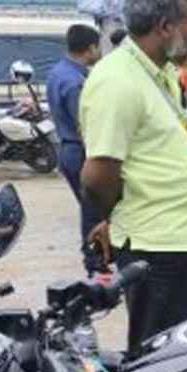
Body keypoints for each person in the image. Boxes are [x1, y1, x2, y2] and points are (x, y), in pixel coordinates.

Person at [80, 0, 187, 353]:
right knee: (159, 357)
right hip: (158, 247)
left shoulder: (162, 74)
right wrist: (118, 215)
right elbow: (98, 174)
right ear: (164, 26)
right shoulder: (117, 80)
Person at [46, 23, 106, 277]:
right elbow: (86, 127)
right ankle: (94, 261)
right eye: (98, 47)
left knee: (89, 207)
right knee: (93, 210)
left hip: (67, 148)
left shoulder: (57, 72)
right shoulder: (76, 82)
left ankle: (97, 257)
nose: (100, 52)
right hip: (80, 150)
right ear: (90, 48)